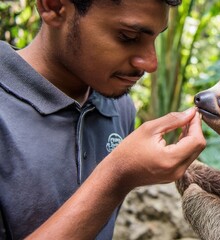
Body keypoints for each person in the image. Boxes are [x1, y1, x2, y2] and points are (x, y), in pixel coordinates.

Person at [0, 0, 206, 239]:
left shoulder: (120, 107)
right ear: (54, 7)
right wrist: (117, 176)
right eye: (128, 36)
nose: (151, 64)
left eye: (155, 38)